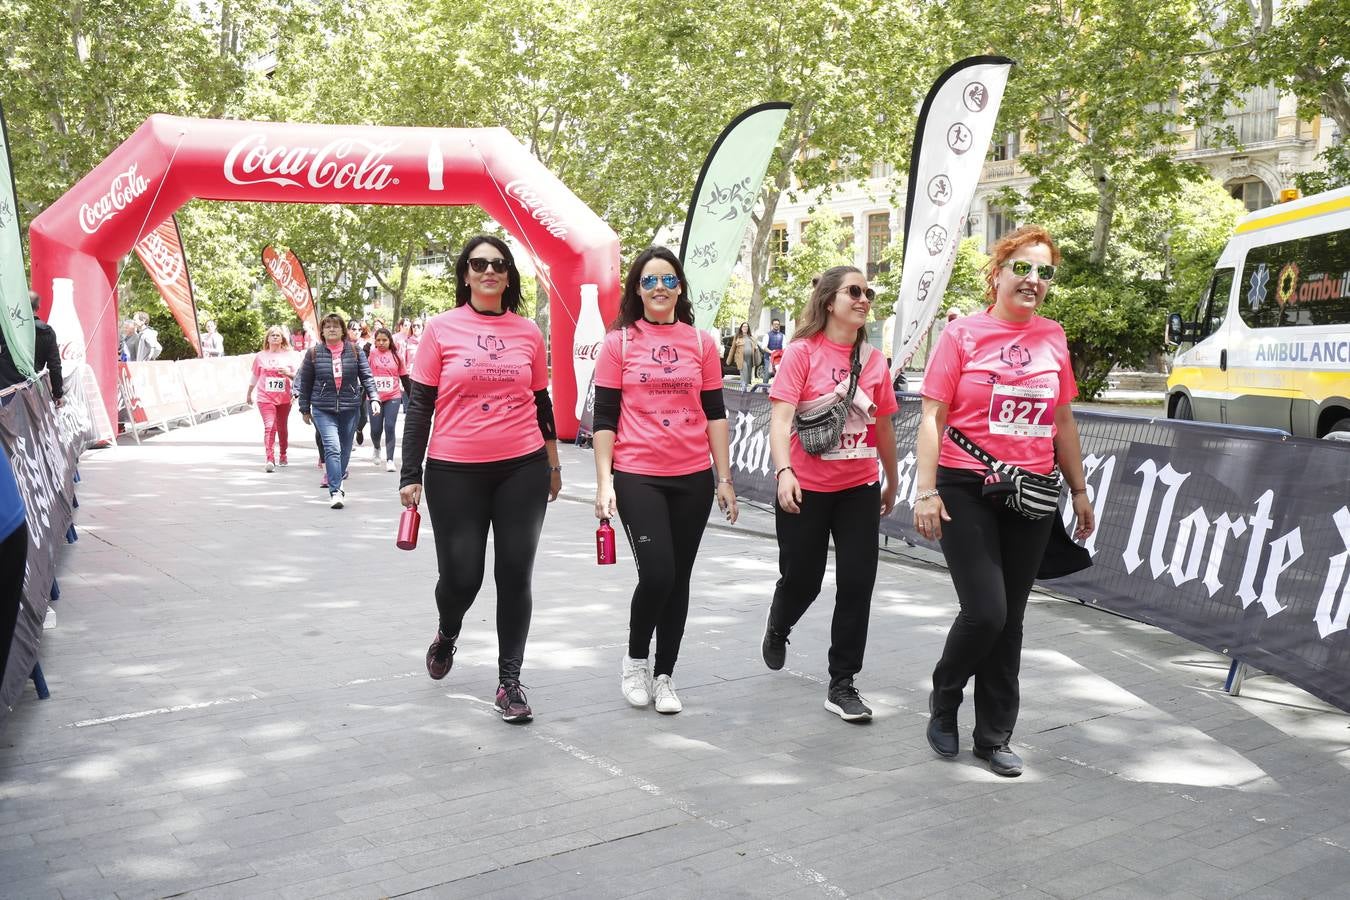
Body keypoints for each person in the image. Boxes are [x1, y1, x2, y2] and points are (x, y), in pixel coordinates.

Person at [913, 225, 1095, 777]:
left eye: (1045, 272)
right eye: (1023, 267)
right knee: (986, 611)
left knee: (1010, 619)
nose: (1034, 280)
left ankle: (994, 738)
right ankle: (945, 699)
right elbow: (931, 416)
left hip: (1032, 490)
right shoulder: (962, 334)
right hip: (966, 486)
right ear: (998, 274)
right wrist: (925, 490)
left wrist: (1080, 489)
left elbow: (1061, 417)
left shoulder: (1054, 337)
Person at [399, 235, 562, 725]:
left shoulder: (528, 332)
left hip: (522, 467)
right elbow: (419, 403)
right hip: (453, 471)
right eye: (478, 264)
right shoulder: (440, 329)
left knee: (514, 575)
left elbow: (541, 402)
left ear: (509, 276)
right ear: (465, 274)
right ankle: (448, 631)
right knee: (462, 577)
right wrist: (410, 474)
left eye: (498, 264)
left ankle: (509, 682)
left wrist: (553, 464)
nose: (488, 271)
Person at [592, 246, 738, 715]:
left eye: (669, 280)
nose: (660, 288)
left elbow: (716, 414)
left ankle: (665, 675)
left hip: (693, 476)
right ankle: (636, 660)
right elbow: (605, 418)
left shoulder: (701, 343)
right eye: (651, 280)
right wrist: (603, 483)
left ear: (680, 289)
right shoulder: (619, 343)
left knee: (680, 580)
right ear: (638, 288)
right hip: (638, 475)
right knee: (658, 574)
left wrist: (724, 478)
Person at [762, 266, 899, 723]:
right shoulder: (801, 353)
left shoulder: (875, 360)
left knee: (858, 584)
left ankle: (843, 683)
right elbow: (781, 421)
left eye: (869, 293)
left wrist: (893, 478)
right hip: (806, 487)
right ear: (828, 300)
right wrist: (783, 471)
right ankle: (780, 622)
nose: (864, 299)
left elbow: (882, 424)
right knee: (804, 579)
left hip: (858, 488)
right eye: (854, 291)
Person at [295, 312, 380, 508]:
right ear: (322, 332)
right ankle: (336, 490)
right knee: (332, 448)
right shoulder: (313, 353)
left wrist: (374, 398)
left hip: (350, 407)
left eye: (335, 326)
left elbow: (366, 377)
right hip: (323, 409)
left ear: (343, 330)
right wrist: (304, 408)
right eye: (327, 326)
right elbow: (305, 382)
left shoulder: (355, 351)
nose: (331, 329)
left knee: (344, 450)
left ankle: (337, 480)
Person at [245, 325, 298, 472]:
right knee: (270, 427)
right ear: (267, 338)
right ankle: (270, 458)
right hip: (265, 397)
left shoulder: (289, 355)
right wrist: (249, 393)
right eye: (272, 335)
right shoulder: (260, 356)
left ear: (282, 339)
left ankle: (283, 454)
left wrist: (288, 373)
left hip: (284, 398)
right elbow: (255, 376)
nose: (275, 337)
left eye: (278, 335)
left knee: (282, 427)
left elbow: (298, 377)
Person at [366, 327, 404, 471]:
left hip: (393, 396)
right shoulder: (371, 354)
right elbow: (365, 375)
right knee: (376, 429)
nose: (381, 343)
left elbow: (404, 376)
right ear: (375, 341)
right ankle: (376, 447)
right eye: (378, 340)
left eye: (384, 340)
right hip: (375, 397)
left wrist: (413, 396)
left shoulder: (396, 355)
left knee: (389, 426)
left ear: (390, 341)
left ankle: (390, 459)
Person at [725, 322, 761, 392]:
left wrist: (756, 349)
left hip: (750, 359)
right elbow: (733, 348)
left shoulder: (751, 338)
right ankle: (743, 390)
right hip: (741, 359)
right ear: (741, 328)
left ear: (748, 328)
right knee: (744, 373)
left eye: (746, 327)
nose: (745, 328)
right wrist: (729, 360)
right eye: (744, 326)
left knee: (748, 375)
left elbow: (755, 348)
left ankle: (746, 389)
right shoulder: (738, 337)